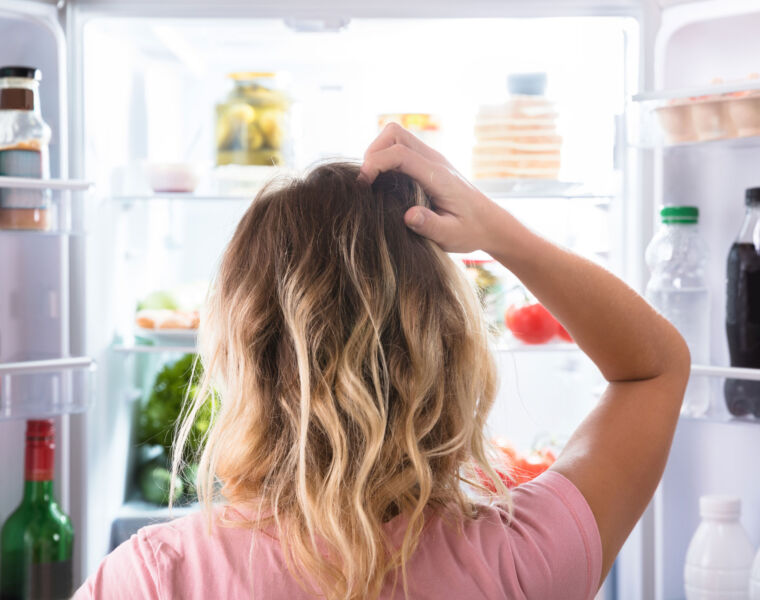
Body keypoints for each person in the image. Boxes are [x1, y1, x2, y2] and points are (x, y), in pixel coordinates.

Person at [74, 124, 689, 600]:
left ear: (240, 352)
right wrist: (496, 230)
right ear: (448, 347)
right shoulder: (523, 559)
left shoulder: (153, 578)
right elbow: (655, 369)